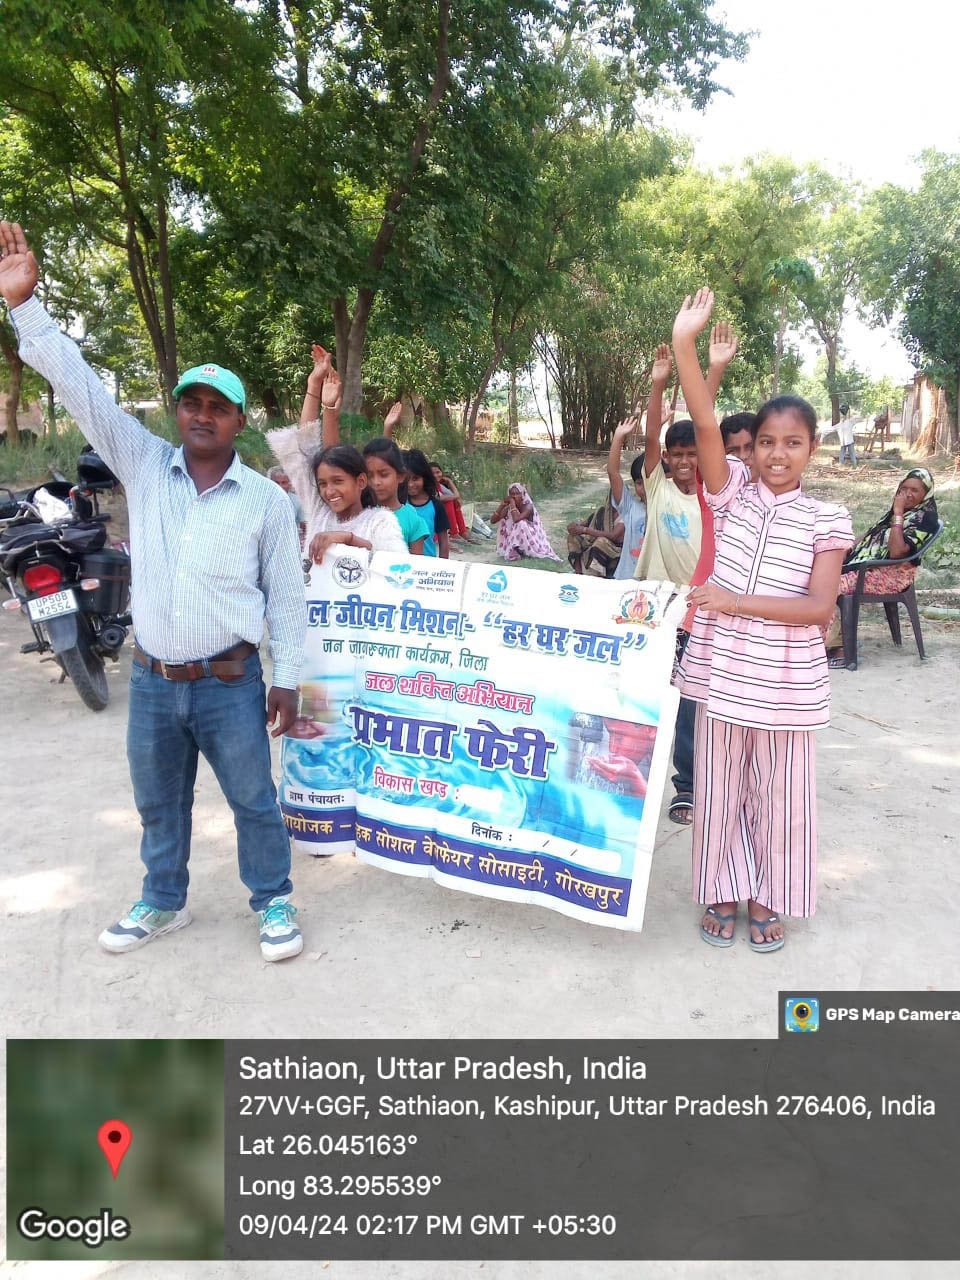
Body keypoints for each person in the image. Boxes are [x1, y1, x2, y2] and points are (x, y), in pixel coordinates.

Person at [0, 220, 307, 962]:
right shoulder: (143, 464)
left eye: (217, 406)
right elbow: (85, 393)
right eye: (190, 402)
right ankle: (164, 900)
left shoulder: (266, 502)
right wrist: (25, 309)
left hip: (231, 681)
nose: (201, 414)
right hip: (153, 678)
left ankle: (272, 899)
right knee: (158, 804)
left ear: (238, 421)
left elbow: (287, 598)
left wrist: (288, 679)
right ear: (178, 412)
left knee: (254, 801)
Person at [673, 288, 853, 954]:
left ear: (812, 448)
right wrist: (686, 344)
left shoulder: (827, 518)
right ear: (751, 452)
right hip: (724, 673)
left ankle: (768, 895)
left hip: (785, 684)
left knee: (780, 796)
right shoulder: (731, 495)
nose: (777, 454)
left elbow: (818, 609)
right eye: (767, 443)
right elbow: (704, 420)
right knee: (719, 790)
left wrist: (733, 601)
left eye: (792, 443)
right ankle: (722, 889)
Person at [634, 334, 737, 825]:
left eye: (691, 454)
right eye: (675, 454)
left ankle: (688, 785)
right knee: (647, 693)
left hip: (696, 610)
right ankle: (633, 776)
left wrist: (713, 371)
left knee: (691, 699)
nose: (682, 461)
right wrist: (658, 386)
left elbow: (703, 421)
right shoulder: (656, 485)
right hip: (653, 606)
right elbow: (652, 436)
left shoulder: (709, 492)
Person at [267, 348, 408, 560]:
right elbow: (306, 445)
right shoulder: (319, 512)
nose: (329, 490)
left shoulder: (380, 522)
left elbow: (397, 566)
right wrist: (314, 385)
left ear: (361, 481)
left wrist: (348, 539)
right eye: (322, 484)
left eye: (338, 481)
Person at [824, 467, 938, 665]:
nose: (907, 494)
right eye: (904, 488)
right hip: (872, 569)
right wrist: (847, 548)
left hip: (893, 575)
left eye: (915, 490)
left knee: (827, 587)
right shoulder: (902, 512)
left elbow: (897, 552)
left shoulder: (925, 519)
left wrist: (898, 513)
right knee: (816, 575)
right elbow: (872, 535)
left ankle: (839, 649)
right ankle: (826, 640)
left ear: (926, 493)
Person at [364, 430, 428, 556]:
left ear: (400, 476)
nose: (376, 482)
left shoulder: (413, 521)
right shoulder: (362, 513)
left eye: (383, 474)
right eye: (370, 476)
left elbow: (416, 564)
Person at [606, 416, 647, 579]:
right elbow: (613, 473)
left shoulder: (669, 508)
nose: (644, 489)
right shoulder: (630, 507)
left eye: (649, 482)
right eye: (639, 483)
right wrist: (618, 437)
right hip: (627, 579)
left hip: (654, 582)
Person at [491, 483, 562, 562]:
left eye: (517, 494)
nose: (514, 496)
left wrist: (512, 504)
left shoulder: (528, 506)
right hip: (514, 536)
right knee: (504, 521)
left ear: (522, 495)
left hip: (531, 538)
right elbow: (493, 521)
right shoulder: (509, 508)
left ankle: (520, 549)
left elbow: (516, 519)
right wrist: (502, 505)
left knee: (521, 524)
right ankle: (515, 549)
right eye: (512, 494)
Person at [403, 449, 451, 558]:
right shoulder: (400, 503)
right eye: (406, 479)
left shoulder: (436, 506)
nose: (410, 484)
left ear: (424, 477)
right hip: (403, 564)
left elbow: (443, 542)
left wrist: (443, 566)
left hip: (427, 565)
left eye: (415, 479)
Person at [566, 491, 625, 577]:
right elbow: (584, 524)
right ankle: (578, 574)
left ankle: (597, 577)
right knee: (573, 537)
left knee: (600, 542)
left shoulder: (625, 516)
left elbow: (613, 536)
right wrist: (574, 527)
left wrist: (585, 530)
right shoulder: (602, 512)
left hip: (616, 551)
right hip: (594, 543)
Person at [430, 462, 477, 543]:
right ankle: (454, 533)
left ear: (442, 472)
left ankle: (462, 531)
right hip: (431, 509)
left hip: (437, 508)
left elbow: (455, 495)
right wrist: (455, 497)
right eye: (432, 473)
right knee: (449, 501)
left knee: (454, 501)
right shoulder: (428, 485)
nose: (435, 475)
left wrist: (450, 481)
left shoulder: (439, 485)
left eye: (438, 472)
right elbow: (439, 499)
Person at [268, 466, 306, 541]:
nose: (280, 486)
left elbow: (305, 526)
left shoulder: (297, 500)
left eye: (284, 483)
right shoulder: (263, 500)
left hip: (290, 540)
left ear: (289, 484)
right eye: (276, 483)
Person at [838, 402, 857, 466]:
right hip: (844, 440)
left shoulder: (850, 421)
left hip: (849, 440)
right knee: (843, 453)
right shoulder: (841, 423)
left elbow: (856, 419)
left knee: (851, 453)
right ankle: (841, 464)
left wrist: (849, 416)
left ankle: (854, 464)